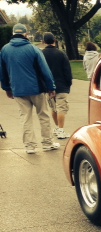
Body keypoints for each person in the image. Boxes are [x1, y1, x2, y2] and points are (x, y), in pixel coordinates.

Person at [0, 23, 59, 154]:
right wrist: (51, 87)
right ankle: (47, 143)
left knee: (25, 117)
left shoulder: (4, 50)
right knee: (43, 115)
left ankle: (29, 146)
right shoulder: (33, 49)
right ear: (26, 34)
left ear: (13, 34)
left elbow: (2, 72)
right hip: (36, 88)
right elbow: (45, 71)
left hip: (18, 89)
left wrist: (6, 88)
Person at [41, 32, 72, 139]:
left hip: (48, 87)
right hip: (62, 85)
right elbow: (67, 70)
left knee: (54, 108)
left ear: (43, 41)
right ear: (54, 40)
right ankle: (61, 130)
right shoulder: (61, 53)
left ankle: (57, 127)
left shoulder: (41, 54)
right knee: (61, 108)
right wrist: (68, 83)